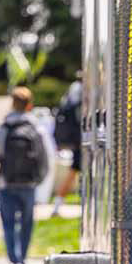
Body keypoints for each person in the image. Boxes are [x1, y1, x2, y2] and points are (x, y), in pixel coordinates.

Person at [0, 87, 50, 264]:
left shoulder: (3, 128)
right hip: (28, 183)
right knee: (26, 223)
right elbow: (43, 157)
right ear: (29, 105)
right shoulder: (35, 128)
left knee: (8, 223)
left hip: (6, 183)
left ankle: (14, 260)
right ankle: (22, 259)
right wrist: (39, 179)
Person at [52, 77, 83, 217]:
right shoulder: (80, 90)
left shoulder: (73, 89)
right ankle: (57, 204)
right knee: (74, 171)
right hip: (80, 138)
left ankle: (58, 204)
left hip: (77, 139)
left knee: (73, 171)